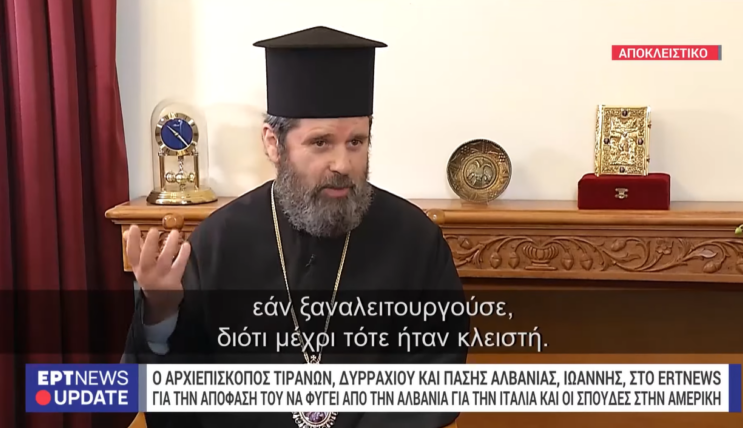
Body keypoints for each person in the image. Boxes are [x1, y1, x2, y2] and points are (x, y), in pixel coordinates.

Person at [122, 26, 468, 428]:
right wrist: (161, 310)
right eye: (321, 143)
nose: (343, 164)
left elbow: (438, 373)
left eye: (356, 142)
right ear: (273, 143)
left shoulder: (415, 240)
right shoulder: (218, 242)